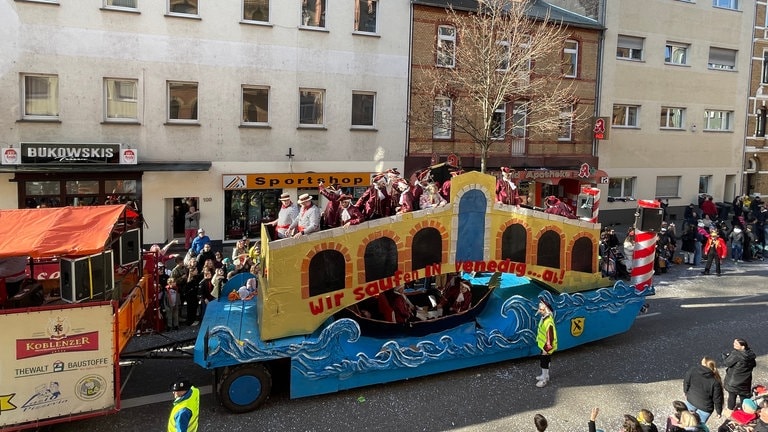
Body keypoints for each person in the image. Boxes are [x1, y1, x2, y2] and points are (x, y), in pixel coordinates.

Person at [684, 356, 724, 424]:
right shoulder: (715, 381)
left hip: (691, 400)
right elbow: (717, 399)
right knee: (699, 426)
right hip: (705, 408)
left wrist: (686, 392)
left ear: (704, 364)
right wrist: (718, 411)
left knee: (686, 421)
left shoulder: (693, 370)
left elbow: (686, 382)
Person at [722, 338, 757, 410]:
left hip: (733, 382)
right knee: (744, 398)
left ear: (742, 346)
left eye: (736, 344)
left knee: (732, 397)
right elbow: (753, 365)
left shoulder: (736, 354)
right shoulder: (750, 355)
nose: (733, 344)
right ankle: (744, 410)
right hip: (745, 382)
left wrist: (725, 357)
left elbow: (727, 363)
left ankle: (730, 410)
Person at [535, 297, 557, 388]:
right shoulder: (544, 318)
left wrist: (546, 348)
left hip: (546, 347)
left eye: (541, 309)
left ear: (546, 310)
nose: (539, 310)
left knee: (544, 362)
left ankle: (544, 379)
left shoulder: (548, 322)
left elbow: (550, 337)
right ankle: (545, 375)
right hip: (543, 345)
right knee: (545, 361)